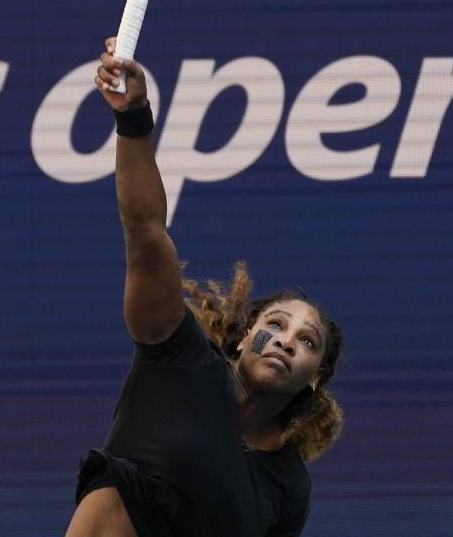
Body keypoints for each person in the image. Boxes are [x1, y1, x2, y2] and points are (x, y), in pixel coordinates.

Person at [64, 37, 345, 537]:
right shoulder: (179, 361)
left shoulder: (288, 488)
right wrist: (133, 118)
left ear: (316, 379)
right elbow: (146, 232)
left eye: (307, 341)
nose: (285, 340)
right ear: (241, 337)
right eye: (275, 324)